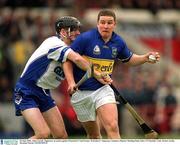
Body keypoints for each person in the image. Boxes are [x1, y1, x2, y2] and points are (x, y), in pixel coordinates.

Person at [12, 16, 110, 139]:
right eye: (73, 29)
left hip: (44, 93)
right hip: (26, 91)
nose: (78, 32)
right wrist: (97, 74)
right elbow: (77, 59)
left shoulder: (70, 51)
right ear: (63, 32)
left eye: (78, 29)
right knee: (42, 134)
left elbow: (79, 64)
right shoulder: (54, 42)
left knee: (61, 136)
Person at [68, 9, 160, 139]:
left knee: (112, 126)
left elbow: (129, 59)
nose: (106, 26)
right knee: (93, 135)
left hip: (103, 89)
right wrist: (71, 82)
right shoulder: (85, 38)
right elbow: (67, 59)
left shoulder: (119, 42)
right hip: (81, 92)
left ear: (114, 24)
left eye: (109, 23)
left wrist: (144, 57)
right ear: (97, 23)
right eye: (103, 22)